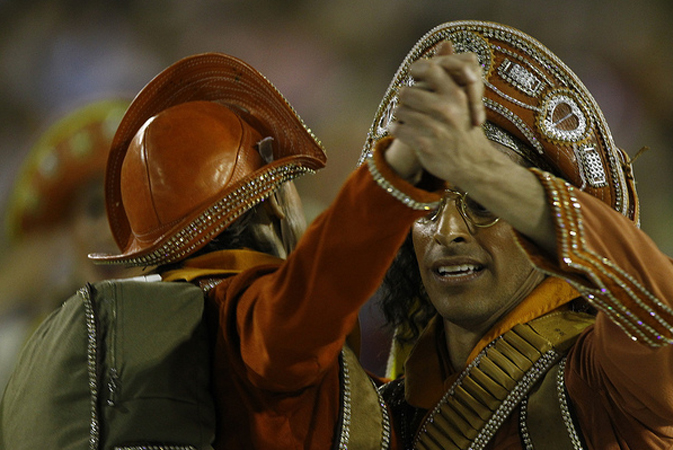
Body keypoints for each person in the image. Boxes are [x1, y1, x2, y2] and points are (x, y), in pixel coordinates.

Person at [1, 51, 470, 450]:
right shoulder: (244, 318)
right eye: (288, 185)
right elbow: (317, 283)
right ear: (270, 205)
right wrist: (401, 164)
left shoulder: (154, 339)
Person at [357, 21, 673, 449]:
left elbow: (669, 316)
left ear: (543, 234)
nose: (447, 232)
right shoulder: (382, 412)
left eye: (483, 205)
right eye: (427, 205)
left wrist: (482, 169)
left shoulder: (604, 386)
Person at [0, 99, 135, 392]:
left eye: (126, 210)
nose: (109, 231)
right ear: (69, 228)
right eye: (94, 209)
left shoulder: (192, 333)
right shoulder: (18, 354)